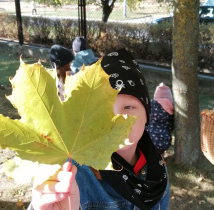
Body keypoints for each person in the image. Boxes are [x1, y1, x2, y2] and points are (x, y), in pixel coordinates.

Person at [28, 49, 170, 210]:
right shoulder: (74, 175)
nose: (119, 118)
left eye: (129, 107)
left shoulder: (158, 172)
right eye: (105, 109)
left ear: (147, 116)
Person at [145, 83, 174, 155]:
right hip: (162, 141)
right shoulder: (170, 109)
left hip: (146, 138)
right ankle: (160, 159)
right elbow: (171, 126)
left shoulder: (150, 105)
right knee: (159, 151)